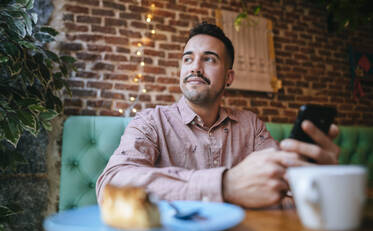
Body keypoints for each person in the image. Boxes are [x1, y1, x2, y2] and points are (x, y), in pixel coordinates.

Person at [96, 22, 340, 208]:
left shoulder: (251, 125)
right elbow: (111, 185)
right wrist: (225, 185)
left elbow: (280, 185)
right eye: (188, 59)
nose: (195, 67)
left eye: (209, 59)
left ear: (229, 77)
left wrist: (316, 178)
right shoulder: (150, 122)